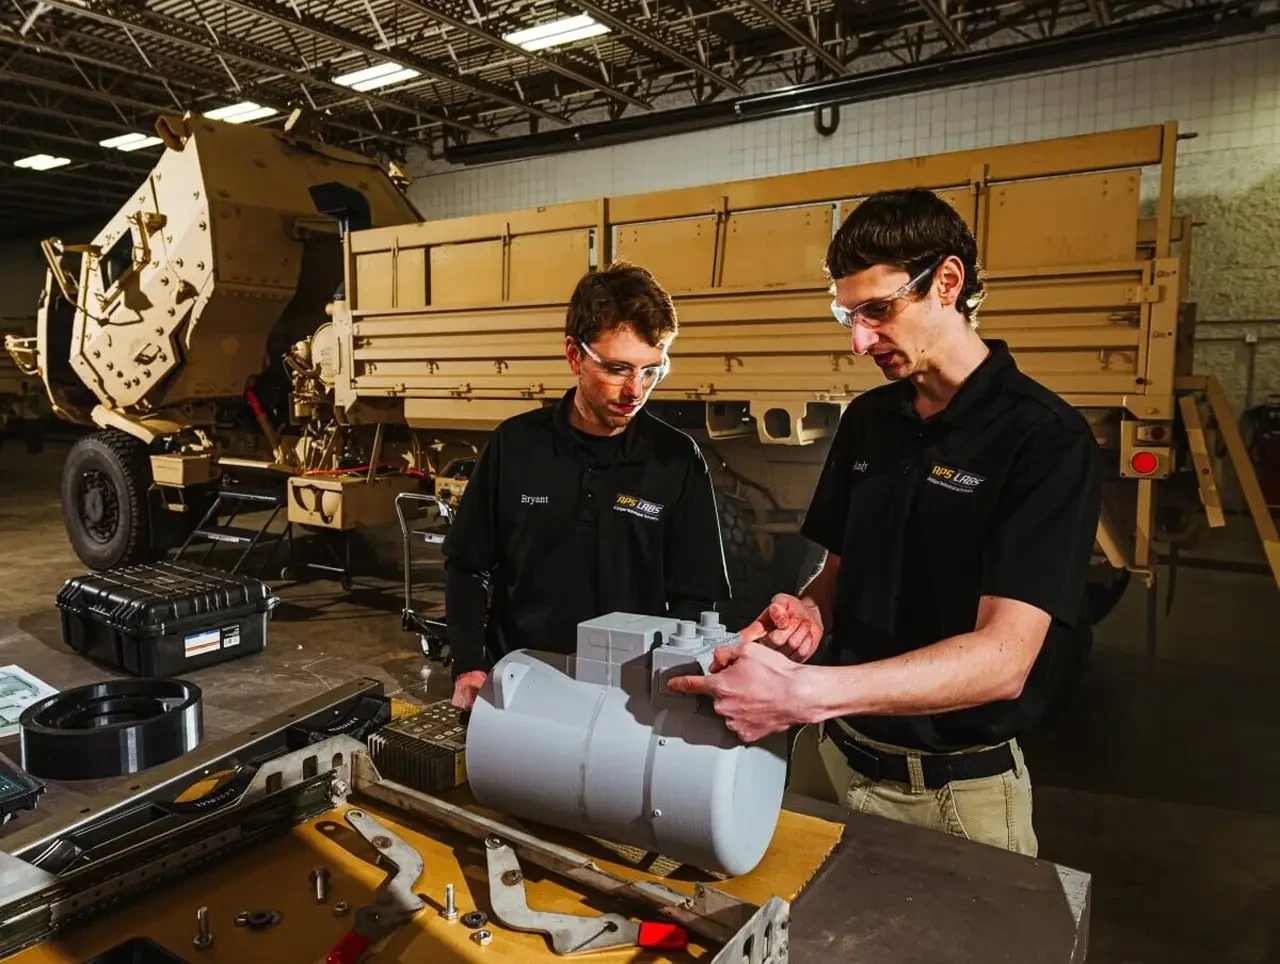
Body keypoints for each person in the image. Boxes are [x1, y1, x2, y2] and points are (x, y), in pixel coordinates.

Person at [668, 189, 1103, 857]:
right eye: (848, 315)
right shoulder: (869, 421)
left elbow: (1003, 661)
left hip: (949, 796)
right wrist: (807, 616)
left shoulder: (1044, 440)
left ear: (947, 282)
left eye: (878, 310)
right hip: (828, 760)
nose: (859, 340)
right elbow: (835, 576)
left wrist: (803, 694)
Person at [442, 260, 731, 710]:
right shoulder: (515, 446)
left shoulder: (676, 460)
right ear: (574, 355)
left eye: (652, 371)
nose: (636, 391)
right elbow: (467, 566)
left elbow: (697, 596)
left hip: (626, 701)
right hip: (518, 686)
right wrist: (468, 665)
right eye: (618, 369)